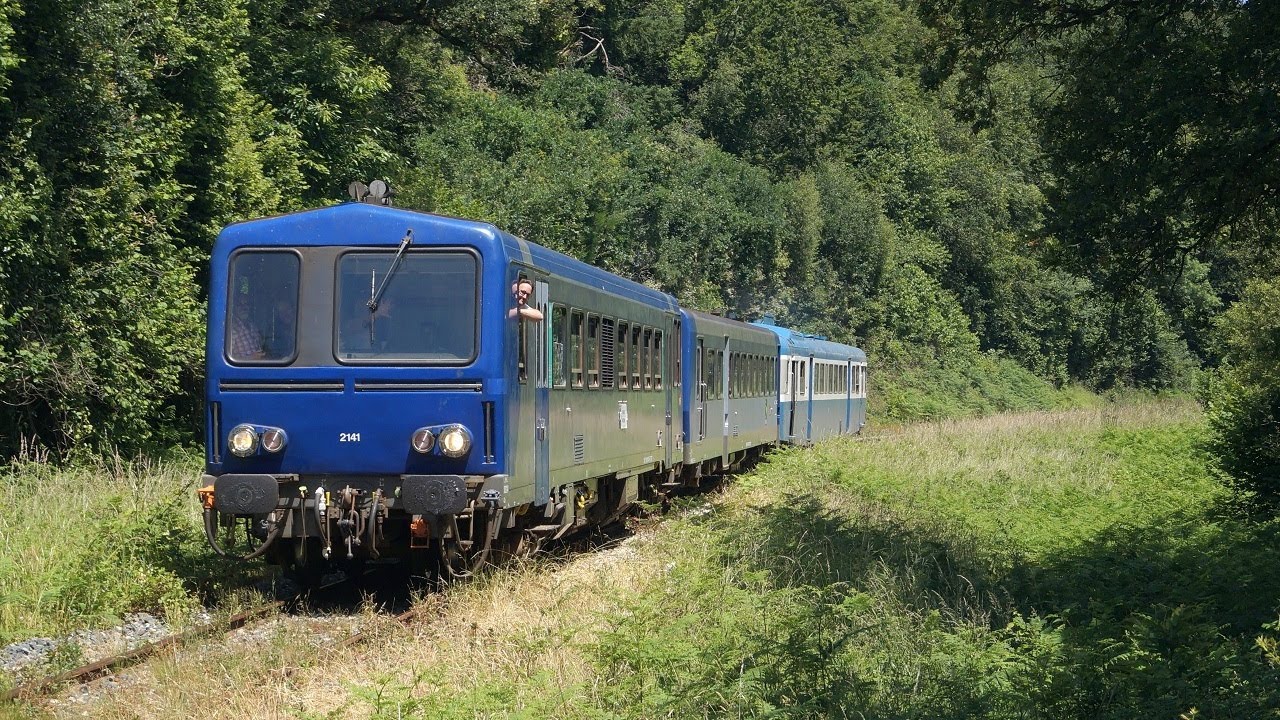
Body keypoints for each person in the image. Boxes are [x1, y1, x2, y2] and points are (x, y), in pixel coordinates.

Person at [229, 294, 266, 360]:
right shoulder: (231, 328)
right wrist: (250, 358)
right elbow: (226, 358)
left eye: (246, 304)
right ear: (234, 307)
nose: (243, 308)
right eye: (239, 305)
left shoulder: (253, 326)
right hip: (243, 369)